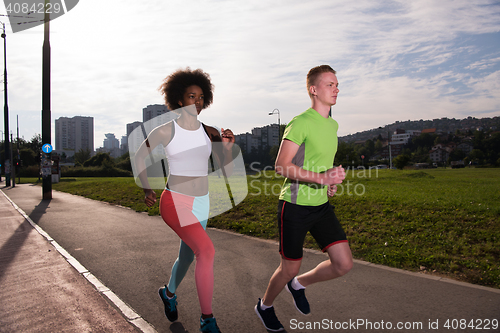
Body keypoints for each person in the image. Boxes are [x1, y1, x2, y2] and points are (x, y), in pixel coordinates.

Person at [134, 68, 234, 333]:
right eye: (192, 96)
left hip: (202, 201)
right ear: (179, 100)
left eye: (201, 97)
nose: (198, 102)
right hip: (175, 202)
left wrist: (226, 148)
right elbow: (139, 156)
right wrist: (146, 188)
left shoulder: (210, 132)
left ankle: (168, 293)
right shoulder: (165, 131)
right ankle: (207, 320)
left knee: (188, 256)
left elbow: (225, 170)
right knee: (207, 251)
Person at [254, 65, 353, 332]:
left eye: (337, 84)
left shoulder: (332, 124)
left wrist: (330, 183)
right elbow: (282, 166)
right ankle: (265, 306)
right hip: (295, 206)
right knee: (288, 268)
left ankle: (299, 285)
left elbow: (320, 164)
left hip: (321, 206)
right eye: (330, 84)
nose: (336, 89)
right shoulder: (300, 122)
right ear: (313, 89)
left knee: (343, 264)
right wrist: (323, 178)